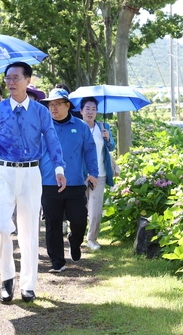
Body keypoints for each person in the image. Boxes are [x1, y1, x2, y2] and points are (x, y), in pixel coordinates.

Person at [0, 61, 67, 304]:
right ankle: (7, 280)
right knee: (3, 228)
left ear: (28, 80)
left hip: (30, 175)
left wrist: (59, 168)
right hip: (3, 173)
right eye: (7, 78)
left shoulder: (39, 112)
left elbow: (51, 140)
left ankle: (28, 285)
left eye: (15, 78)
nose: (10, 82)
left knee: (29, 231)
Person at [39, 88, 98, 273]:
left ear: (68, 105)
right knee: (53, 223)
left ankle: (75, 240)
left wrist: (93, 173)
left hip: (75, 182)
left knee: (79, 220)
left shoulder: (80, 127)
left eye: (57, 104)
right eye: (50, 104)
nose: (53, 107)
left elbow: (90, 150)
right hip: (49, 183)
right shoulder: (43, 127)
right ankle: (57, 262)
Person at [79, 96, 116, 251]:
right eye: (87, 108)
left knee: (95, 209)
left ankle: (92, 239)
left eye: (94, 109)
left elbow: (112, 147)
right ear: (81, 111)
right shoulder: (77, 127)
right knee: (79, 208)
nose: (91, 112)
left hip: (99, 175)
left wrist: (107, 139)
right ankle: (76, 235)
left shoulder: (103, 127)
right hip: (80, 175)